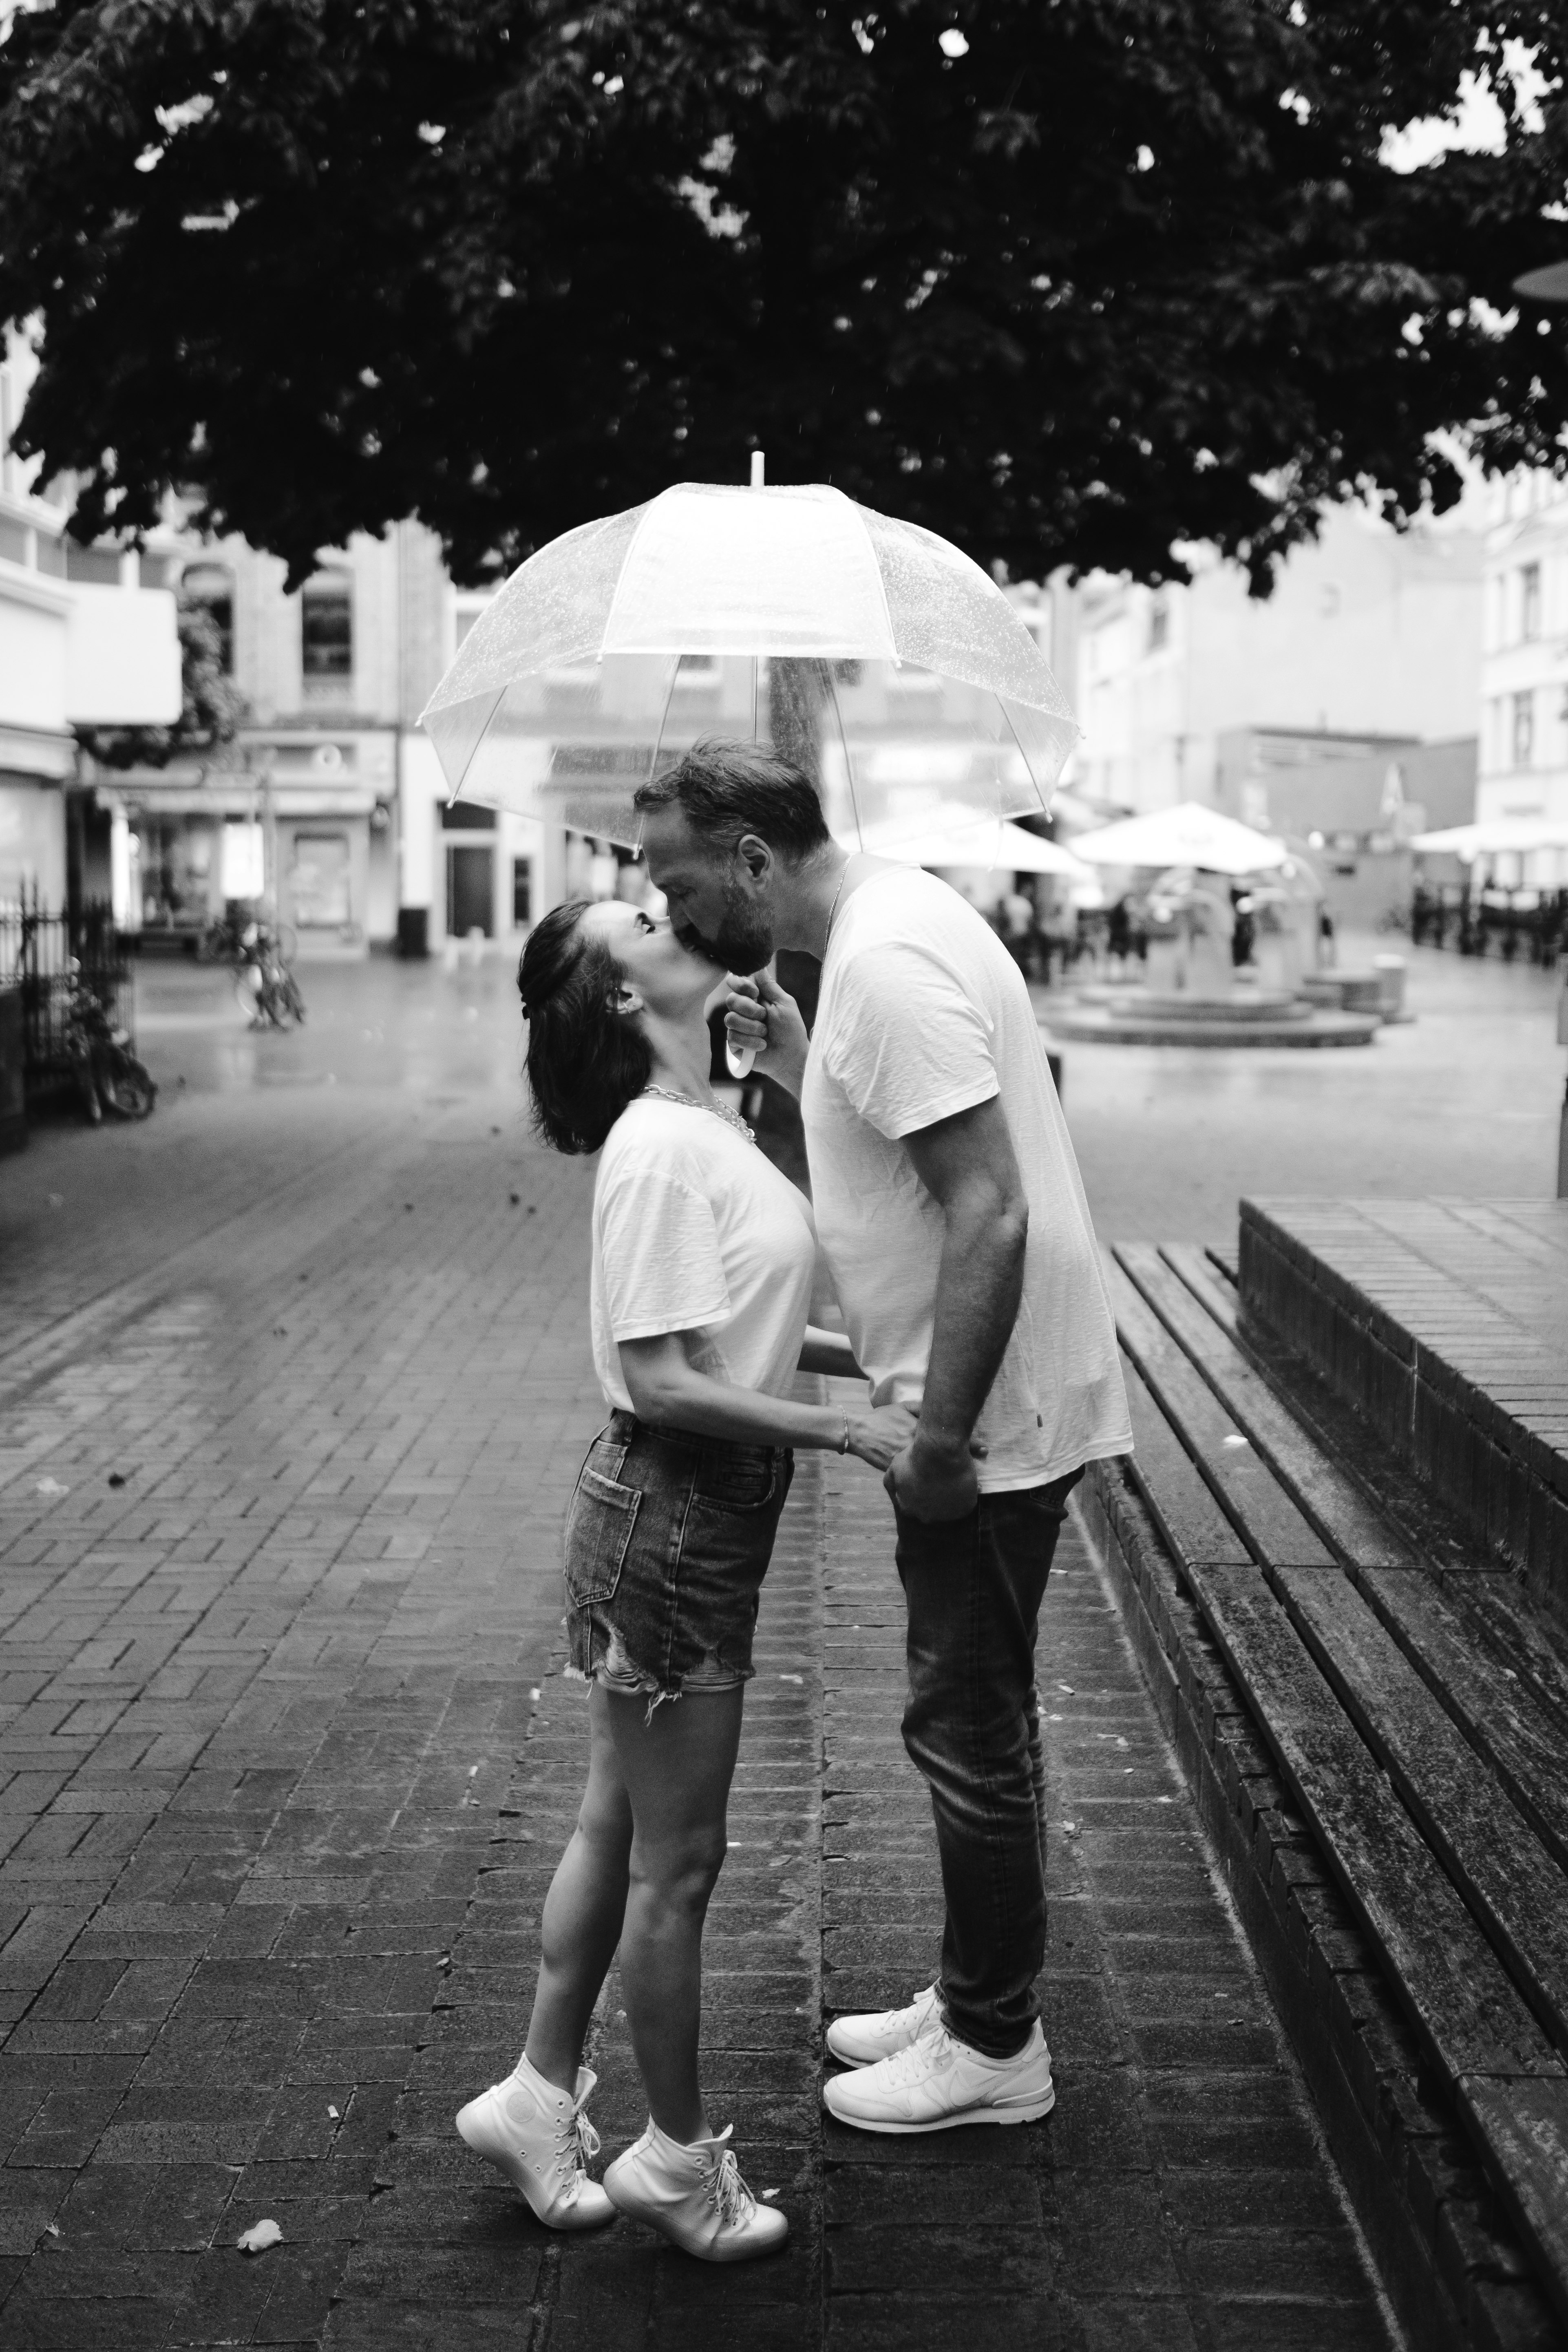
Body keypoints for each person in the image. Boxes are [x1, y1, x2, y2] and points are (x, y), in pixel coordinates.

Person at [636, 741, 1132, 2137]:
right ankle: (980, 1986)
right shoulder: (871, 946)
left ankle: (992, 2044)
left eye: (680, 884)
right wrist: (801, 1068)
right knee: (973, 1714)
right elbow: (903, 1167)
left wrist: (940, 1439)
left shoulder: (884, 964)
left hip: (987, 1413)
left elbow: (990, 1213)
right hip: (984, 1392)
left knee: (965, 1725)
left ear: (751, 861)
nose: (673, 916)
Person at [454, 897, 915, 2258]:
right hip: (672, 1519)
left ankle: (539, 2099)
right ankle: (675, 2155)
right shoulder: (658, 1150)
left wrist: (875, 1369)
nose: (678, 917)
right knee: (682, 1861)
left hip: (685, 1513)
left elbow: (751, 1327)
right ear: (615, 991)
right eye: (642, 918)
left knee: (619, 1823)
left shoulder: (696, 1121)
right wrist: (849, 1427)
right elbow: (663, 1376)